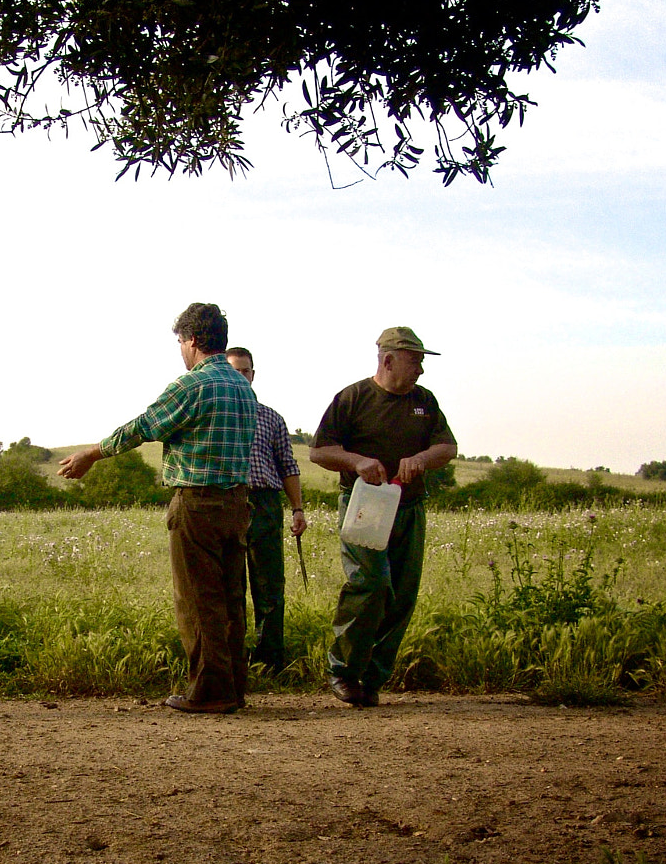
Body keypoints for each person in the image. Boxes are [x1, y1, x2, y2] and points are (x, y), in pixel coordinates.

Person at [60, 303, 256, 714]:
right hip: (238, 503)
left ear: (194, 340)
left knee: (198, 600)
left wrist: (92, 455)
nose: (181, 350)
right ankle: (234, 688)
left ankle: (209, 692)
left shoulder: (192, 385)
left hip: (198, 503)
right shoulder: (243, 387)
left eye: (181, 341)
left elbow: (144, 426)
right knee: (230, 600)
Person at [309, 326, 457, 707]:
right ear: (388, 360)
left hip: (408, 508)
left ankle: (372, 679)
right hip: (363, 506)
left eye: (423, 362)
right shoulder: (353, 398)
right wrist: (357, 461)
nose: (421, 370)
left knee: (402, 595)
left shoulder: (424, 401)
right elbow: (320, 451)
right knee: (371, 585)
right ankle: (343, 671)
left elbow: (447, 446)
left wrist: (422, 459)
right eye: (415, 361)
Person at [224, 347, 307, 672]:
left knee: (269, 586)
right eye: (234, 371)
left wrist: (297, 509)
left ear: (253, 375)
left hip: (266, 504)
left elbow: (288, 465)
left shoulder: (271, 417)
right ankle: (233, 662)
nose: (240, 376)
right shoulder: (218, 416)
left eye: (245, 371)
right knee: (231, 587)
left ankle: (270, 662)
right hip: (229, 502)